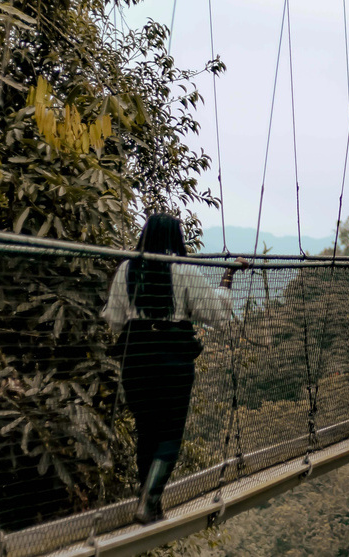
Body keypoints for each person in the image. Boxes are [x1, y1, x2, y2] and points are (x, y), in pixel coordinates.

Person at [102, 213, 243, 524]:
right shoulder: (185, 271)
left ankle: (147, 502)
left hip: (135, 360)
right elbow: (217, 315)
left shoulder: (126, 269)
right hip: (173, 362)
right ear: (177, 239)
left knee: (146, 432)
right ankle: (149, 502)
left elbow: (113, 319)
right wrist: (228, 276)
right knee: (169, 435)